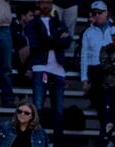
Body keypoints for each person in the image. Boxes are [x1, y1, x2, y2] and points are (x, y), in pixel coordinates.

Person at [26, 0, 71, 136]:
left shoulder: (58, 22)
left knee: (58, 108)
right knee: (38, 105)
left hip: (58, 69)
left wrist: (49, 40)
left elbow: (67, 42)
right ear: (38, 4)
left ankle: (58, 141)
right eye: (43, 2)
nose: (46, 5)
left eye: (49, 3)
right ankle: (36, 137)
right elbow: (35, 44)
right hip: (40, 67)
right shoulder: (32, 24)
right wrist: (57, 39)